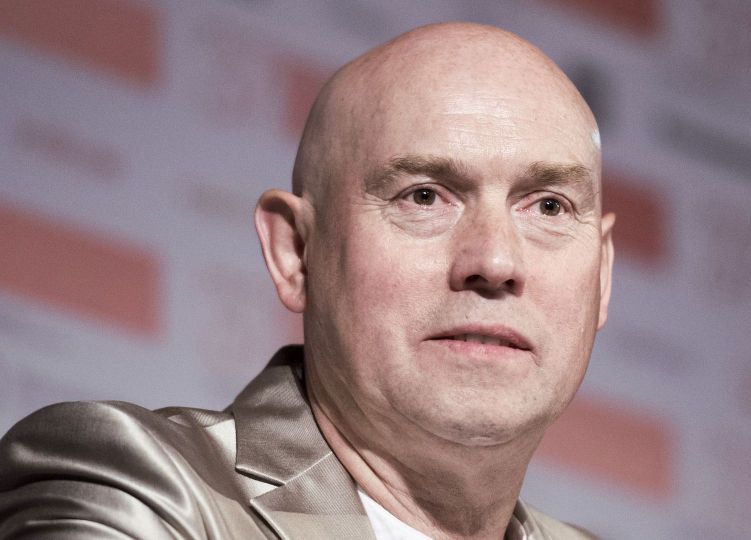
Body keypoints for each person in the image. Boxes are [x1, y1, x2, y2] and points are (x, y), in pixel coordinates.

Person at [0, 22, 614, 539]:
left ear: (603, 276)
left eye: (550, 206)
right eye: (424, 196)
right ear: (295, 252)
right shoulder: (134, 487)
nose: (497, 261)